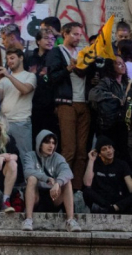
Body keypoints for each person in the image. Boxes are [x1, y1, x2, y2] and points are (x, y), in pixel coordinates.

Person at [46, 22, 91, 189]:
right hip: (66, 104)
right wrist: (68, 68)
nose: (78, 38)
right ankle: (62, 186)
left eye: (80, 35)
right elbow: (52, 77)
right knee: (69, 149)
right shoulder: (56, 52)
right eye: (74, 34)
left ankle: (77, 188)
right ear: (65, 34)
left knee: (81, 152)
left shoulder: (83, 53)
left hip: (84, 103)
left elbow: (88, 73)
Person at [22, 131, 80, 231]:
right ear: (40, 144)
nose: (51, 146)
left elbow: (68, 172)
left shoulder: (58, 157)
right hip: (36, 196)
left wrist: (58, 183)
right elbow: (27, 171)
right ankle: (28, 219)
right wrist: (46, 178)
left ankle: (70, 220)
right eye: (47, 142)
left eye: (53, 143)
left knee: (67, 181)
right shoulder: (30, 155)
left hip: (53, 195)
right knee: (32, 178)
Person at [0, 49, 36, 160]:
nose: (9, 62)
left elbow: (25, 90)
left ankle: (27, 178)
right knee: (4, 155)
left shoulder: (29, 76)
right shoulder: (3, 80)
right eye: (7, 59)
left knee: (24, 157)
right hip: (4, 123)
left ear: (21, 58)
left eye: (12, 58)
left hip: (21, 121)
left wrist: (9, 75)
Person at [27, 19, 59, 142]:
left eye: (52, 39)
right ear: (38, 41)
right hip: (34, 104)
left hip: (51, 104)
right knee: (35, 136)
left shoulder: (56, 58)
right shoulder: (29, 59)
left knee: (51, 137)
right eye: (46, 38)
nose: (50, 41)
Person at [83, 136, 132, 214]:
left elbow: (130, 188)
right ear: (99, 154)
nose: (108, 151)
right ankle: (108, 208)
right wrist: (91, 160)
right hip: (101, 200)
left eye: (110, 147)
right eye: (104, 149)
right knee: (86, 192)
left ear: (113, 149)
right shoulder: (94, 164)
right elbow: (87, 183)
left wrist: (119, 205)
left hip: (117, 200)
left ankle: (112, 208)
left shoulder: (122, 164)